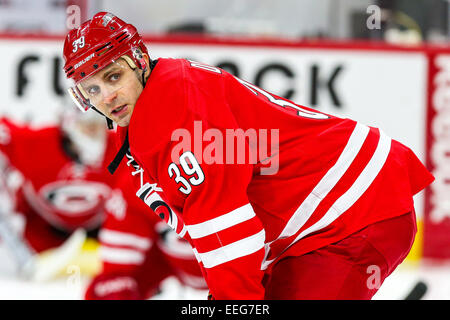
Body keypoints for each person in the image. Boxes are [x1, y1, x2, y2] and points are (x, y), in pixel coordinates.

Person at [62, 12, 435, 300]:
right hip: (322, 224)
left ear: (139, 60)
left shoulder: (177, 114)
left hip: (356, 213)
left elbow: (227, 229)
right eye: (91, 89)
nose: (106, 98)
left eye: (113, 77)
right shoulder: (143, 117)